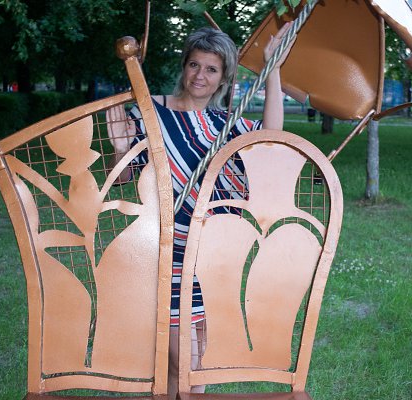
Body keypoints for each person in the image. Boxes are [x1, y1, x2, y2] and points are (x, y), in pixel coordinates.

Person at [107, 24, 294, 398]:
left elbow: (271, 140)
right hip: (167, 252)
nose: (200, 76)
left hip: (214, 256)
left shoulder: (225, 125)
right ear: (184, 66)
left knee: (199, 361)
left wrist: (273, 68)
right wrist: (120, 148)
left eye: (211, 69)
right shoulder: (150, 112)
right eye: (194, 65)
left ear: (223, 78)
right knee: (184, 362)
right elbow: (122, 176)